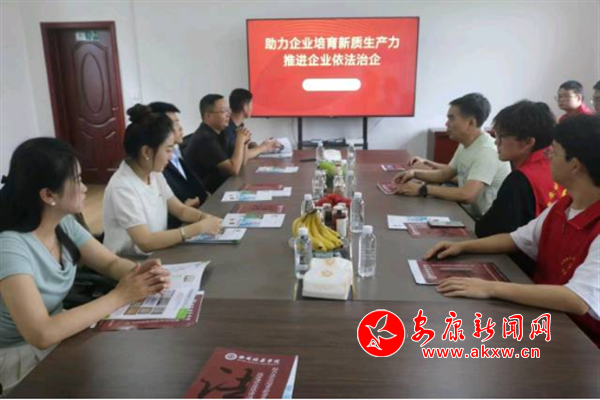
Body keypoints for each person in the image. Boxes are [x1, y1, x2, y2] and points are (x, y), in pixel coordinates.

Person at [0, 138, 171, 394]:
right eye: (77, 180)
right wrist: (121, 295)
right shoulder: (9, 247)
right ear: (48, 195)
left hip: (63, 334)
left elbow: (110, 263)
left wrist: (142, 273)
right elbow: (41, 333)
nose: (84, 188)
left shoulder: (62, 223)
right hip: (21, 357)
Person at [425, 115, 600, 346]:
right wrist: (462, 246)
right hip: (545, 316)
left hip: (582, 341)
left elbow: (577, 300)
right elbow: (515, 239)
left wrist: (489, 288)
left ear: (575, 165)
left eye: (554, 152)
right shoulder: (564, 206)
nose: (547, 157)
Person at [103, 104, 222, 257]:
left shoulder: (154, 173)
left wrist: (205, 218)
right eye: (168, 150)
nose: (171, 156)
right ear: (146, 151)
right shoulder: (122, 187)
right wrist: (198, 228)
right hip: (132, 264)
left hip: (158, 254)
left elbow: (180, 210)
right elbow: (145, 242)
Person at [394, 93, 511, 219]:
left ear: (470, 123)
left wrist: (422, 189)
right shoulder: (465, 144)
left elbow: (467, 195)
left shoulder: (487, 151)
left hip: (482, 222)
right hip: (465, 212)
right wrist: (413, 173)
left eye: (451, 119)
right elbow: (444, 174)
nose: (446, 124)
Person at [476, 100, 565, 238]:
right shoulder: (559, 166)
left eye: (501, 136)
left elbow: (488, 230)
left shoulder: (520, 179)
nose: (496, 142)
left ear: (528, 142)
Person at [148, 102, 209, 228]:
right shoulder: (156, 167)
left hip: (195, 214)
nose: (180, 128)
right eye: (175, 123)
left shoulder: (177, 152)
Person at [183, 94, 251, 193]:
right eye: (223, 111)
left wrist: (244, 142)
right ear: (208, 116)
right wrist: (240, 140)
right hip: (206, 195)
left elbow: (242, 164)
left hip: (222, 187)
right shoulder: (205, 138)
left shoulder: (222, 133)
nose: (228, 114)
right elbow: (233, 170)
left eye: (228, 110)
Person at [221, 88, 282, 159]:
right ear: (245, 107)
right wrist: (264, 147)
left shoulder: (239, 125)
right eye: (251, 104)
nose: (252, 108)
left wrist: (254, 145)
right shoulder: (226, 128)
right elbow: (241, 156)